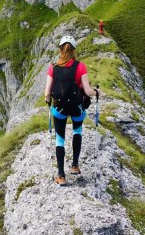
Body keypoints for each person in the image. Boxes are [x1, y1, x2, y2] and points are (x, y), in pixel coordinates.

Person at [44, 35, 100, 186]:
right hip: (76, 107)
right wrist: (96, 93)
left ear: (60, 49)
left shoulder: (53, 68)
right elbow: (87, 91)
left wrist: (48, 101)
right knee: (77, 131)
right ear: (74, 50)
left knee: (59, 139)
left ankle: (61, 176)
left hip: (59, 108)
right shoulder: (80, 66)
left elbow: (47, 93)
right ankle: (75, 166)